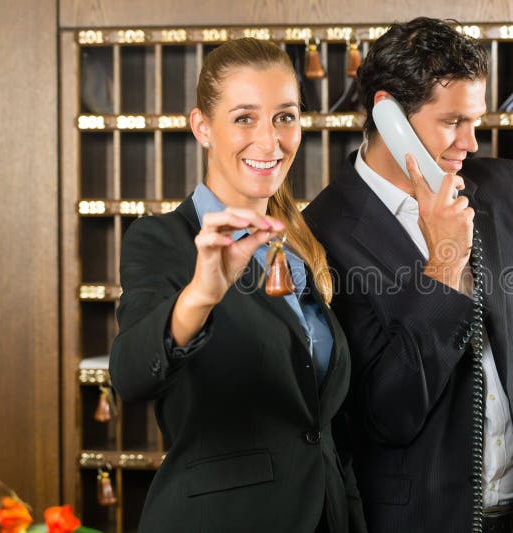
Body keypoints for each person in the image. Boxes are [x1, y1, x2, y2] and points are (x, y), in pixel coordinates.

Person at [303, 17, 513, 532]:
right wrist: (444, 266)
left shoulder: (508, 190)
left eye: (475, 120)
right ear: (388, 114)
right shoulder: (323, 236)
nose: (470, 142)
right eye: (452, 121)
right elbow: (386, 413)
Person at [109, 37, 366, 533]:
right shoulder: (164, 241)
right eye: (245, 118)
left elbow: (323, 427)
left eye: (285, 117)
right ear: (202, 127)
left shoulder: (303, 249)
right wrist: (201, 294)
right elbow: (131, 374)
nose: (270, 141)